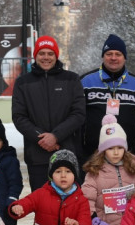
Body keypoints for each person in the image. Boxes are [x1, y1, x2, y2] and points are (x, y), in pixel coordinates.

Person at [11, 35, 86, 192]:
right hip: (37, 158)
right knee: (43, 208)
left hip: (67, 155)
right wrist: (42, 137)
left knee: (70, 208)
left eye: (50, 53)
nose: (46, 57)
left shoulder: (71, 79)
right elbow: (19, 117)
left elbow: (78, 113)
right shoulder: (23, 82)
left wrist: (56, 136)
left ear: (56, 56)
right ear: (36, 56)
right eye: (42, 53)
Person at [80, 33, 135, 158]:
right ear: (103, 56)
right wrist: (81, 150)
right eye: (109, 54)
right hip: (91, 157)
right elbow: (76, 117)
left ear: (124, 57)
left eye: (118, 54)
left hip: (127, 157)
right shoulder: (85, 82)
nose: (113, 58)